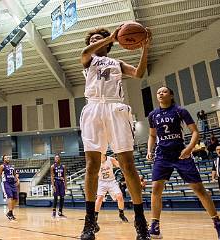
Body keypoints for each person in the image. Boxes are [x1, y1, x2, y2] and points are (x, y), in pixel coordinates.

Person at [80, 25, 152, 240]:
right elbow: (84, 53)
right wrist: (109, 37)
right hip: (93, 108)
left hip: (115, 108)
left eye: (98, 38)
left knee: (128, 165)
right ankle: (89, 223)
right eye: (92, 39)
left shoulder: (117, 63)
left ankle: (140, 222)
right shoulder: (89, 59)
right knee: (92, 165)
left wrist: (144, 48)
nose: (94, 42)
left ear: (110, 43)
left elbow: (139, 74)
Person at [146, 86, 220, 240]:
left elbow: (195, 132)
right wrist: (150, 150)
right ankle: (154, 227)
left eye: (164, 91)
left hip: (181, 154)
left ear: (171, 95)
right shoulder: (152, 115)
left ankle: (217, 222)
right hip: (162, 155)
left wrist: (190, 148)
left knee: (199, 189)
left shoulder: (180, 111)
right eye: (158, 92)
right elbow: (152, 135)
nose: (160, 93)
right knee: (156, 188)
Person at [95, 154, 128, 228]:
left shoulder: (110, 159)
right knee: (99, 198)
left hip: (111, 181)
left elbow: (119, 165)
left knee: (120, 196)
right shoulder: (96, 161)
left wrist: (123, 165)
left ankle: (121, 214)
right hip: (101, 182)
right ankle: (95, 216)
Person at [0, 155, 20, 221]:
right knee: (10, 197)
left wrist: (18, 180)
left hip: (13, 183)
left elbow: (15, 175)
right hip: (6, 183)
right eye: (6, 158)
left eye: (8, 157)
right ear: (3, 159)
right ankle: (11, 213)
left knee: (16, 199)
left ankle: (9, 212)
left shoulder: (12, 167)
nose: (7, 158)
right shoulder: (2, 166)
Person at [50, 154, 67, 218]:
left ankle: (60, 212)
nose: (56, 159)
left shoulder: (63, 166)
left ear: (60, 159)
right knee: (55, 197)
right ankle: (54, 212)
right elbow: (52, 176)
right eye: (55, 158)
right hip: (56, 182)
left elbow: (65, 176)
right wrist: (53, 185)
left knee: (62, 197)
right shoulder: (52, 166)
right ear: (54, 159)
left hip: (61, 183)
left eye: (58, 158)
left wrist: (66, 185)